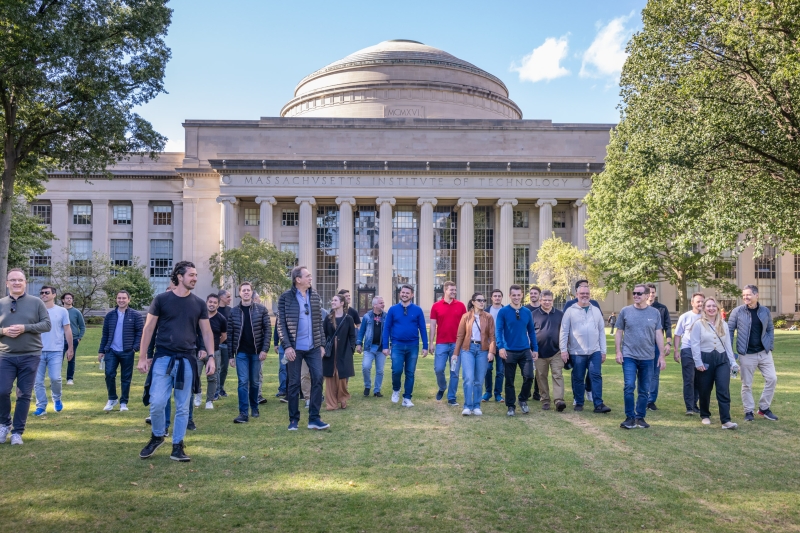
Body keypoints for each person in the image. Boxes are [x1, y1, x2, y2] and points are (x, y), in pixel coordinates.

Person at [137, 261, 215, 462]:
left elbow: (206, 332)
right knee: (157, 402)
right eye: (191, 275)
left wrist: (211, 356)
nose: (195, 278)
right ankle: (157, 435)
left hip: (187, 361)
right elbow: (148, 329)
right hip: (163, 358)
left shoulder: (199, 303)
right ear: (179, 276)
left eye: (196, 275)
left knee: (183, 407)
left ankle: (177, 446)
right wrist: (143, 357)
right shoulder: (162, 299)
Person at [0, 269, 51, 445]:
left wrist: (25, 328)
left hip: (30, 355)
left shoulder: (36, 303)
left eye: (20, 280)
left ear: (25, 283)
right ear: (7, 283)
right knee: (2, 391)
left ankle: (17, 432)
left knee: (24, 394)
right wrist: (4, 331)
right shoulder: (1, 303)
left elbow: (46, 324)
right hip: (5, 355)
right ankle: (4, 424)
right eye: (12, 280)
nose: (16, 283)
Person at [277, 266, 329, 430]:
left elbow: (318, 323)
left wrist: (321, 344)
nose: (310, 278)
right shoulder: (285, 298)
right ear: (298, 279)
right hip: (294, 348)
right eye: (307, 276)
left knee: (318, 378)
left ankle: (314, 418)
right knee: (293, 383)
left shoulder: (314, 296)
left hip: (313, 347)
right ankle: (293, 420)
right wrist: (287, 346)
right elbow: (281, 325)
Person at [615, 284, 664, 429]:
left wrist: (661, 355)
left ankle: (640, 417)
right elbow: (619, 332)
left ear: (647, 295)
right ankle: (629, 417)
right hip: (629, 355)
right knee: (629, 386)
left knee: (644, 390)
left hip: (648, 357)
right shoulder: (625, 311)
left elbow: (658, 334)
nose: (635, 295)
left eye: (639, 293)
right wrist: (618, 351)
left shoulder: (654, 313)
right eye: (634, 293)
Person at [728, 284, 777, 422]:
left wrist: (770, 344)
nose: (745, 297)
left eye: (748, 295)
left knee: (772, 379)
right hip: (746, 354)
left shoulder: (765, 311)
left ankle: (764, 408)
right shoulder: (737, 311)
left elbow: (770, 328)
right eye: (743, 295)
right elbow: (730, 331)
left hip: (764, 352)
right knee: (747, 384)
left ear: (756, 295)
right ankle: (748, 411)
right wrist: (730, 351)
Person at [560, 284, 610, 413]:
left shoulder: (596, 310)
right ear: (577, 295)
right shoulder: (570, 311)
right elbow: (564, 331)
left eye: (587, 293)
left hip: (595, 351)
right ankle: (579, 402)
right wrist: (563, 350)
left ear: (590, 295)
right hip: (577, 351)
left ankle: (598, 404)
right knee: (578, 377)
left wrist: (603, 351)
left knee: (596, 376)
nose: (585, 296)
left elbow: (601, 331)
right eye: (582, 293)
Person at [691, 297, 739, 429]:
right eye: (708, 306)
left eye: (714, 306)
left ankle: (726, 420)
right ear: (704, 309)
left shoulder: (723, 324)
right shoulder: (698, 324)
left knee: (723, 389)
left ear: (717, 308)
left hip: (721, 360)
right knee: (705, 390)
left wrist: (733, 363)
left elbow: (728, 345)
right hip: (705, 359)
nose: (711, 308)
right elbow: (694, 345)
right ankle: (705, 415)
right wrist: (698, 362)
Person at [227, 281, 271, 424]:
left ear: (252, 292)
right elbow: (230, 335)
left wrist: (264, 349)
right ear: (239, 293)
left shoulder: (261, 310)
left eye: (248, 290)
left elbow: (267, 331)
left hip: (256, 353)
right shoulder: (233, 312)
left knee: (255, 382)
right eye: (243, 290)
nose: (246, 292)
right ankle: (243, 413)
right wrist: (230, 356)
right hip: (241, 354)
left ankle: (255, 407)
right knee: (242, 382)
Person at [382, 284, 429, 407]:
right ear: (400, 294)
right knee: (396, 370)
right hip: (397, 345)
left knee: (410, 372)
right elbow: (386, 328)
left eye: (407, 293)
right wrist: (385, 345)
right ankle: (396, 390)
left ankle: (407, 398)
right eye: (403, 292)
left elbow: (423, 328)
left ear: (412, 295)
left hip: (413, 346)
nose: (404, 294)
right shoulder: (392, 310)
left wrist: (425, 346)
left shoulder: (418, 310)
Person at [495, 285, 538, 417]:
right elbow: (498, 330)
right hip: (509, 351)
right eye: (514, 295)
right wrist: (501, 347)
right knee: (509, 380)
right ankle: (511, 406)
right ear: (510, 296)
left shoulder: (527, 312)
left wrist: (534, 348)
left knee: (529, 377)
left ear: (522, 295)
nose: (516, 297)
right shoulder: (503, 312)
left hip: (525, 350)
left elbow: (531, 331)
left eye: (519, 295)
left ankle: (522, 399)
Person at [98, 290, 144, 412]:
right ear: (116, 299)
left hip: (127, 351)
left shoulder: (135, 315)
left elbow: (141, 332)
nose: (121, 300)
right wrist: (101, 350)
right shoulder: (110, 315)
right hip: (111, 350)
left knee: (126, 377)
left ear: (129, 300)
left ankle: (124, 402)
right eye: (119, 298)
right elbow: (105, 334)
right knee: (109, 374)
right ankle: (112, 398)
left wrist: (135, 347)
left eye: (124, 298)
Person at [33, 286, 73, 416]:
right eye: (42, 293)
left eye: (47, 293)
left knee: (55, 378)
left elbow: (67, 330)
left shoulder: (61, 311)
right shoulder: (35, 310)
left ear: (54, 295)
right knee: (38, 381)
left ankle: (57, 398)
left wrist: (70, 348)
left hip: (55, 350)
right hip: (37, 350)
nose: (44, 295)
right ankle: (41, 406)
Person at [454, 292, 495, 416]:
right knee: (468, 378)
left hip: (482, 349)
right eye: (479, 300)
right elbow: (460, 336)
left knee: (479, 379)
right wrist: (456, 353)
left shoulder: (488, 317)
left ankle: (476, 405)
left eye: (483, 300)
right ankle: (467, 406)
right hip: (468, 349)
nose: (482, 302)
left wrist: (491, 351)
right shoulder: (466, 317)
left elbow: (492, 336)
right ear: (473, 302)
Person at [430, 281, 467, 406]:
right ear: (445, 290)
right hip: (441, 344)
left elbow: (466, 325)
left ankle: (452, 397)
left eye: (455, 290)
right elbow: (433, 325)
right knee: (438, 369)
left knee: (454, 372)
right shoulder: (436, 306)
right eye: (451, 290)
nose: (454, 292)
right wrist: (431, 343)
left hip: (457, 345)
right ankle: (442, 387)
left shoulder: (461, 306)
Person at [533, 290, 565, 412]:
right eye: (544, 300)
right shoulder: (533, 315)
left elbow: (564, 332)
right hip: (539, 352)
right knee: (541, 376)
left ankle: (559, 400)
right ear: (540, 300)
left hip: (556, 351)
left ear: (553, 301)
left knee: (557, 374)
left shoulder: (560, 314)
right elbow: (529, 333)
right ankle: (545, 400)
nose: (547, 302)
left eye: (549, 300)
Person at [323, 294, 356, 410]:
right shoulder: (328, 318)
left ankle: (342, 398)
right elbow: (323, 335)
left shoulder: (348, 319)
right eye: (332, 300)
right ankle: (331, 404)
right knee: (330, 377)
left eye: (335, 300)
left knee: (342, 377)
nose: (333, 302)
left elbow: (352, 336)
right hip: (330, 351)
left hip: (344, 351)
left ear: (342, 303)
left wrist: (351, 348)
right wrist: (323, 348)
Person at [674, 293, 704, 415]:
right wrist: (676, 350)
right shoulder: (685, 317)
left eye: (702, 301)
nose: (700, 304)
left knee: (699, 379)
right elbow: (677, 334)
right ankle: (689, 407)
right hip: (687, 350)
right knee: (689, 379)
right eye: (698, 301)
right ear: (692, 303)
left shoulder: (707, 317)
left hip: (703, 351)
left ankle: (695, 404)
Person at [645, 283, 673, 411]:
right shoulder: (640, 308)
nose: (651, 295)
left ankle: (651, 401)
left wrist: (668, 343)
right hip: (643, 346)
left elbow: (667, 326)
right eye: (649, 292)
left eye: (653, 292)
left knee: (655, 374)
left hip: (657, 345)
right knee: (643, 373)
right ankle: (643, 398)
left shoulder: (662, 308)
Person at [356, 295, 386, 397]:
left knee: (380, 371)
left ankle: (377, 390)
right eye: (381, 303)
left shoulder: (386, 316)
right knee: (366, 367)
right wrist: (359, 343)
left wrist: (389, 346)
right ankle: (367, 386)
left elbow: (390, 332)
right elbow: (361, 331)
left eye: (383, 302)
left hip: (381, 348)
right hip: (369, 347)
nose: (383, 304)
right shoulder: (367, 316)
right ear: (374, 305)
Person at [201, 293, 227, 409]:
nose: (212, 304)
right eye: (210, 302)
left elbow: (224, 336)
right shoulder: (200, 317)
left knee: (212, 376)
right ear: (206, 302)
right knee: (195, 374)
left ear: (218, 304)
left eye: (214, 303)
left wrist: (214, 345)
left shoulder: (221, 319)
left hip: (215, 352)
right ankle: (197, 394)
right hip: (199, 351)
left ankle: (209, 400)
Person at [482, 289, 505, 403]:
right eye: (495, 296)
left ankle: (498, 394)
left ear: (502, 298)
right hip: (489, 344)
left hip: (502, 344)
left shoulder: (506, 310)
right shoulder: (486, 311)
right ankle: (487, 392)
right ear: (491, 298)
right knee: (488, 369)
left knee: (500, 371)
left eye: (499, 296)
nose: (497, 298)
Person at [60, 292, 84, 385]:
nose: (69, 300)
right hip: (60, 339)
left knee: (71, 359)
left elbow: (82, 326)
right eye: (67, 298)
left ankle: (70, 379)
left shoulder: (76, 312)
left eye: (70, 298)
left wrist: (79, 338)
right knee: (58, 360)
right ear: (63, 300)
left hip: (74, 339)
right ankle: (56, 379)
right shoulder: (59, 311)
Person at [523, 285, 542, 401]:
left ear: (539, 295)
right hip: (527, 343)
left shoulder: (542, 308)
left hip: (540, 343)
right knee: (528, 369)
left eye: (535, 293)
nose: (533, 295)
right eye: (531, 293)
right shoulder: (525, 309)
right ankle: (527, 391)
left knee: (539, 370)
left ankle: (537, 392)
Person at [216, 289, 232, 398]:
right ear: (221, 297)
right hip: (215, 345)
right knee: (216, 368)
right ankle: (215, 391)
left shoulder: (231, 311)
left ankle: (220, 388)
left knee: (224, 368)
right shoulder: (214, 310)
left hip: (226, 344)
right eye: (228, 296)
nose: (230, 299)